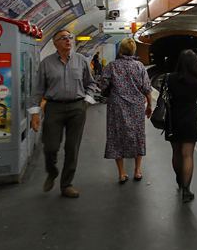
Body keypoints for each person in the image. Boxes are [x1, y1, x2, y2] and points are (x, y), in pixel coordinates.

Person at [28, 29, 97, 198]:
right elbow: (38, 90)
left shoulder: (81, 61)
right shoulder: (46, 63)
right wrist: (35, 114)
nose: (68, 40)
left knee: (72, 148)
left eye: (69, 37)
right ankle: (52, 171)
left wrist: (87, 100)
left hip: (77, 108)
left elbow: (91, 84)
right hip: (54, 108)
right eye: (63, 38)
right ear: (55, 43)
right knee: (50, 147)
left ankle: (66, 184)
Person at [100, 38, 152, 184]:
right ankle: (137, 170)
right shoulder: (139, 66)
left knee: (117, 136)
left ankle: (122, 173)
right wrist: (149, 106)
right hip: (136, 106)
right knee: (138, 135)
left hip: (117, 107)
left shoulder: (112, 66)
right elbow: (147, 88)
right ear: (133, 50)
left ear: (120, 50)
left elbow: (103, 86)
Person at [165, 49, 197, 202]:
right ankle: (186, 190)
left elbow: (166, 98)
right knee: (187, 154)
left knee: (176, 153)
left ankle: (179, 179)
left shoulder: (170, 78)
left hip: (173, 119)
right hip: (190, 118)